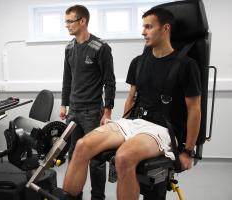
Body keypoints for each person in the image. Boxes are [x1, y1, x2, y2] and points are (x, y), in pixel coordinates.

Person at [58, 7, 201, 200]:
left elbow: (194, 110)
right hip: (133, 123)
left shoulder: (186, 65)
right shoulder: (138, 62)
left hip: (162, 129)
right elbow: (131, 99)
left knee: (123, 157)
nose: (143, 32)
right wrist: (119, 125)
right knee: (82, 146)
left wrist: (188, 152)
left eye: (149, 27)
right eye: (143, 26)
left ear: (165, 28)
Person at [59, 4, 116, 200]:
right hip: (73, 111)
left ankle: (97, 197)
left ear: (82, 21)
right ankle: (75, 195)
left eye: (69, 21)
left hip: (93, 112)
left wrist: (107, 113)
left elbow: (110, 82)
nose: (66, 25)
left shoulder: (101, 48)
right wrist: (63, 104)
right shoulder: (69, 48)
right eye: (66, 21)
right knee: (74, 157)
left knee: (96, 160)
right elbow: (68, 78)